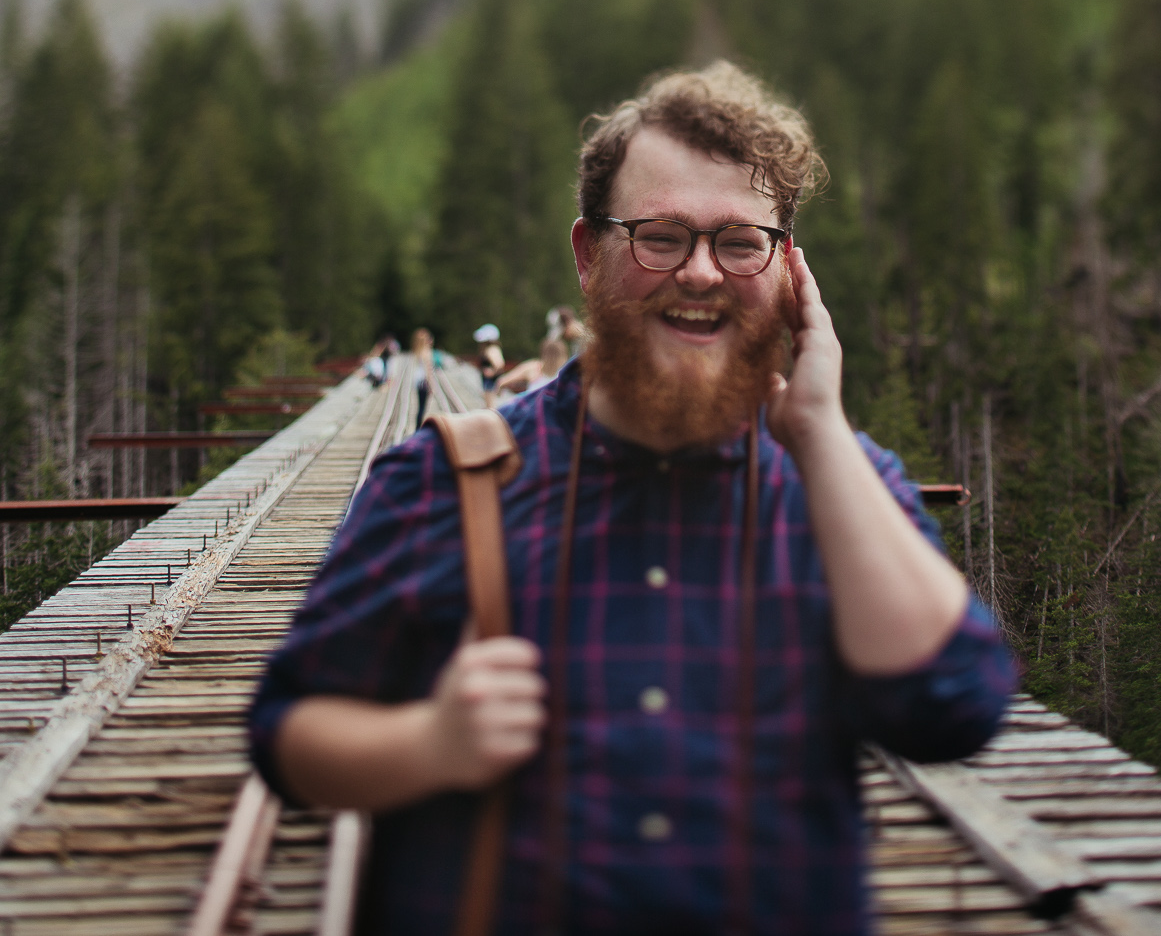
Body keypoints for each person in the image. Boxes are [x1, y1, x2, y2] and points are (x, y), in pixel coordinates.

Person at [250, 62, 1017, 935]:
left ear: (788, 269)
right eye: (659, 235)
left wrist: (821, 435)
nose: (699, 273)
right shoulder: (441, 483)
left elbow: (956, 706)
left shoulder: (847, 485)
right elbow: (288, 731)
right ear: (589, 254)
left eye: (740, 241)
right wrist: (428, 743)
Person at [474, 323, 507, 401]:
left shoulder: (491, 349)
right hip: (490, 382)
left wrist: (492, 372)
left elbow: (499, 364)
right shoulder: (493, 349)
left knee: (490, 406)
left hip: (490, 382)